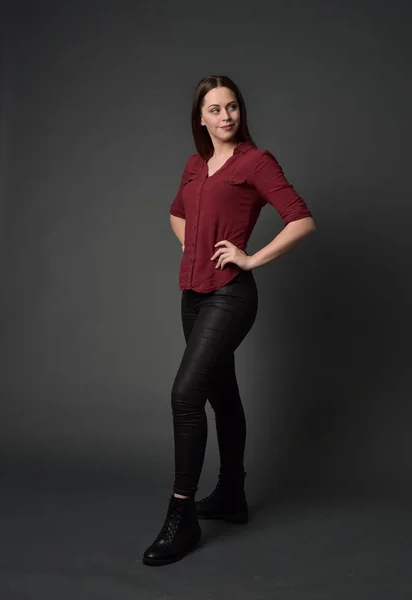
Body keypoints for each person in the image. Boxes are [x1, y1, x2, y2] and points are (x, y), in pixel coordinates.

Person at [142, 75, 316, 566]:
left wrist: (251, 258)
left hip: (230, 295)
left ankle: (182, 517)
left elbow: (301, 218)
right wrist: (190, 242)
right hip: (192, 296)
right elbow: (177, 214)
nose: (225, 117)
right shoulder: (196, 166)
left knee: (185, 396)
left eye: (232, 107)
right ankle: (232, 496)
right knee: (222, 395)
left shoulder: (255, 162)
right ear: (201, 118)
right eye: (215, 109)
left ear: (240, 112)